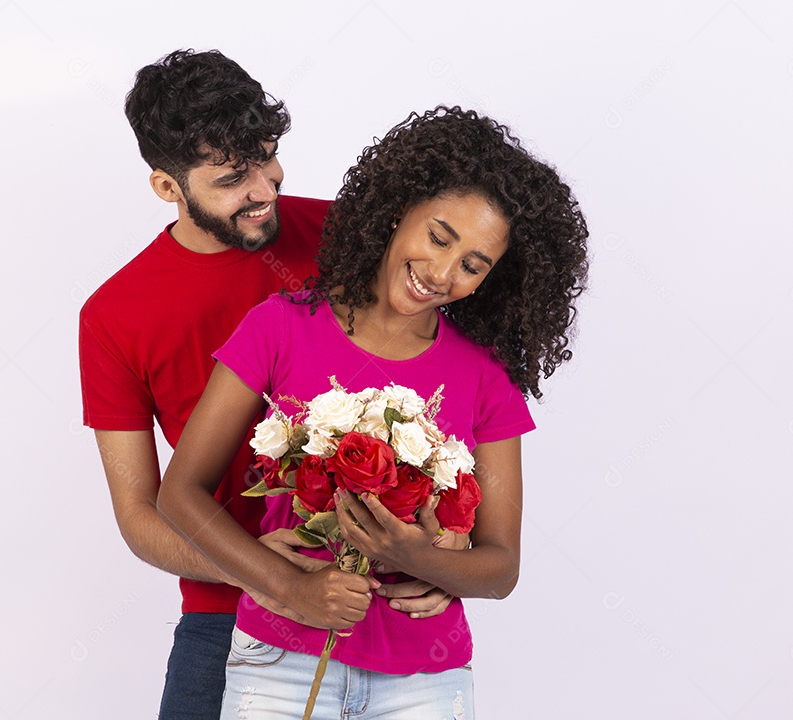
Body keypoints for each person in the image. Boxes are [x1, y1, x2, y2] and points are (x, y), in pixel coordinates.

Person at [157, 106, 590, 717]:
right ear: (398, 208)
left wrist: (419, 557)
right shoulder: (281, 325)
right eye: (438, 237)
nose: (441, 273)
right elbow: (181, 494)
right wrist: (289, 587)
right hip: (279, 662)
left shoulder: (485, 377)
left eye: (472, 265)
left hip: (425, 680)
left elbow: (500, 567)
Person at [78, 50, 454, 720]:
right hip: (225, 623)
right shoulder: (113, 315)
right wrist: (264, 572)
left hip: (381, 601)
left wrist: (446, 546)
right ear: (168, 187)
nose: (264, 186)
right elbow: (139, 515)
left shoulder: (352, 237)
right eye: (231, 178)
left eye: (267, 156)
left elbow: (450, 394)